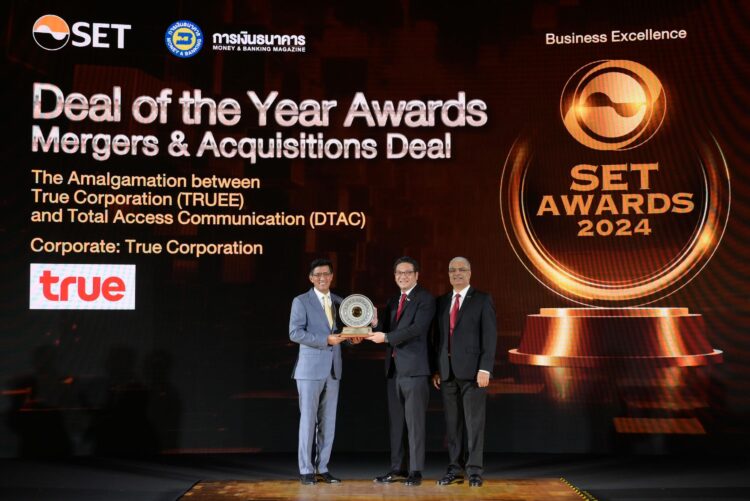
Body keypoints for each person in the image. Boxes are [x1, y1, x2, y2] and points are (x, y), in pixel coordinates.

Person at [289, 258, 362, 485]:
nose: (322, 278)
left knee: (328, 422)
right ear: (311, 278)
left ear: (332, 276)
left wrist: (353, 339)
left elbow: (343, 334)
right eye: (318, 275)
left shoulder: (341, 302)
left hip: (333, 370)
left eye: (326, 274)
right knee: (308, 421)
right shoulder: (301, 301)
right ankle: (306, 470)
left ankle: (322, 467)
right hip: (309, 370)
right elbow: (295, 333)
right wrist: (325, 340)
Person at [367, 256, 435, 486]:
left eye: (407, 272)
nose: (402, 276)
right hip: (394, 371)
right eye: (398, 273)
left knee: (415, 424)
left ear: (416, 275)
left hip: (415, 370)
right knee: (397, 424)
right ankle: (397, 468)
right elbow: (384, 329)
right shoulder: (393, 299)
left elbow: (417, 329)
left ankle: (415, 471)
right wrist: (374, 322)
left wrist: (386, 337)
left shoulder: (425, 299)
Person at [432, 257, 497, 487]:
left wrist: (485, 368)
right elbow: (437, 338)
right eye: (452, 270)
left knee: (474, 424)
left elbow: (489, 337)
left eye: (461, 269)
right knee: (453, 425)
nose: (457, 273)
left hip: (473, 372)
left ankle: (475, 471)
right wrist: (437, 369)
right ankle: (455, 469)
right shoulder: (441, 301)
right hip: (447, 372)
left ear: (470, 273)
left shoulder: (482, 299)